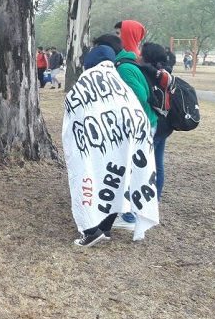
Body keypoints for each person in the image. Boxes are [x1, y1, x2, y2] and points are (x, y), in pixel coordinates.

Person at [63, 43, 158, 247]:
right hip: (126, 142)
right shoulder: (119, 81)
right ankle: (105, 228)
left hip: (93, 145)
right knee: (118, 180)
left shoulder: (86, 81)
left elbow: (74, 113)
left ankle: (90, 231)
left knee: (87, 178)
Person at [97, 33, 157, 230]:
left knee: (132, 169)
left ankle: (130, 216)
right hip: (147, 123)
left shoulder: (123, 68)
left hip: (139, 127)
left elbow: (139, 96)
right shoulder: (127, 62)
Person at [141, 42, 173, 202]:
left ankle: (147, 199)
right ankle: (156, 196)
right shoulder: (166, 70)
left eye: (142, 53)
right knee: (158, 162)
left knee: (147, 163)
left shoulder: (152, 71)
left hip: (156, 121)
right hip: (167, 122)